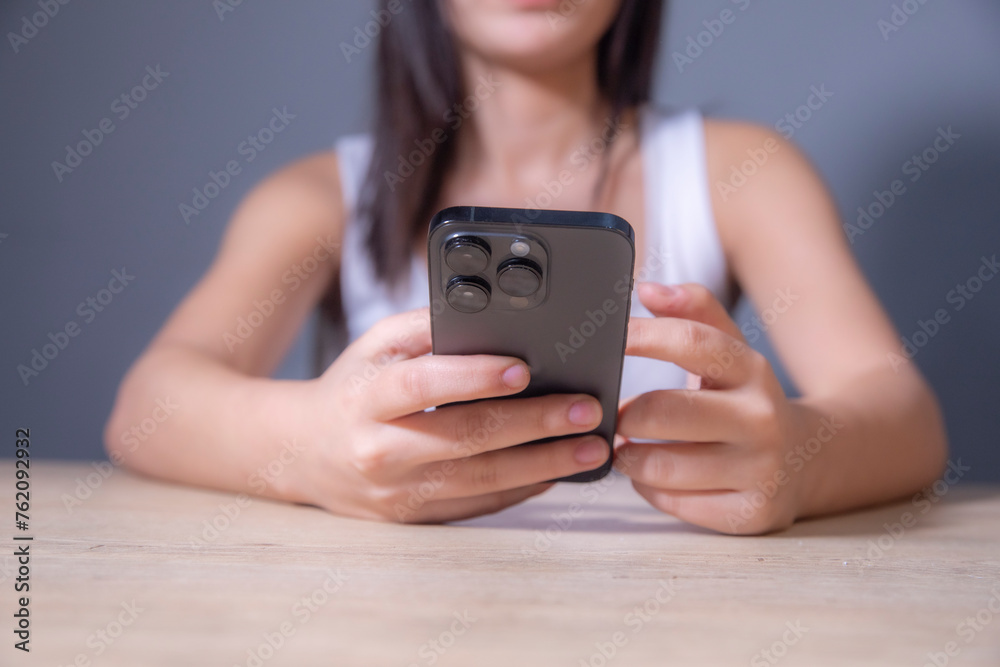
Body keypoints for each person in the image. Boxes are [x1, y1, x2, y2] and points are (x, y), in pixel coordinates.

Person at [105, 0, 947, 534]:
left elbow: (904, 416)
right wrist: (306, 446)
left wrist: (802, 455)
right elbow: (149, 404)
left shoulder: (743, 172)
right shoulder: (321, 195)